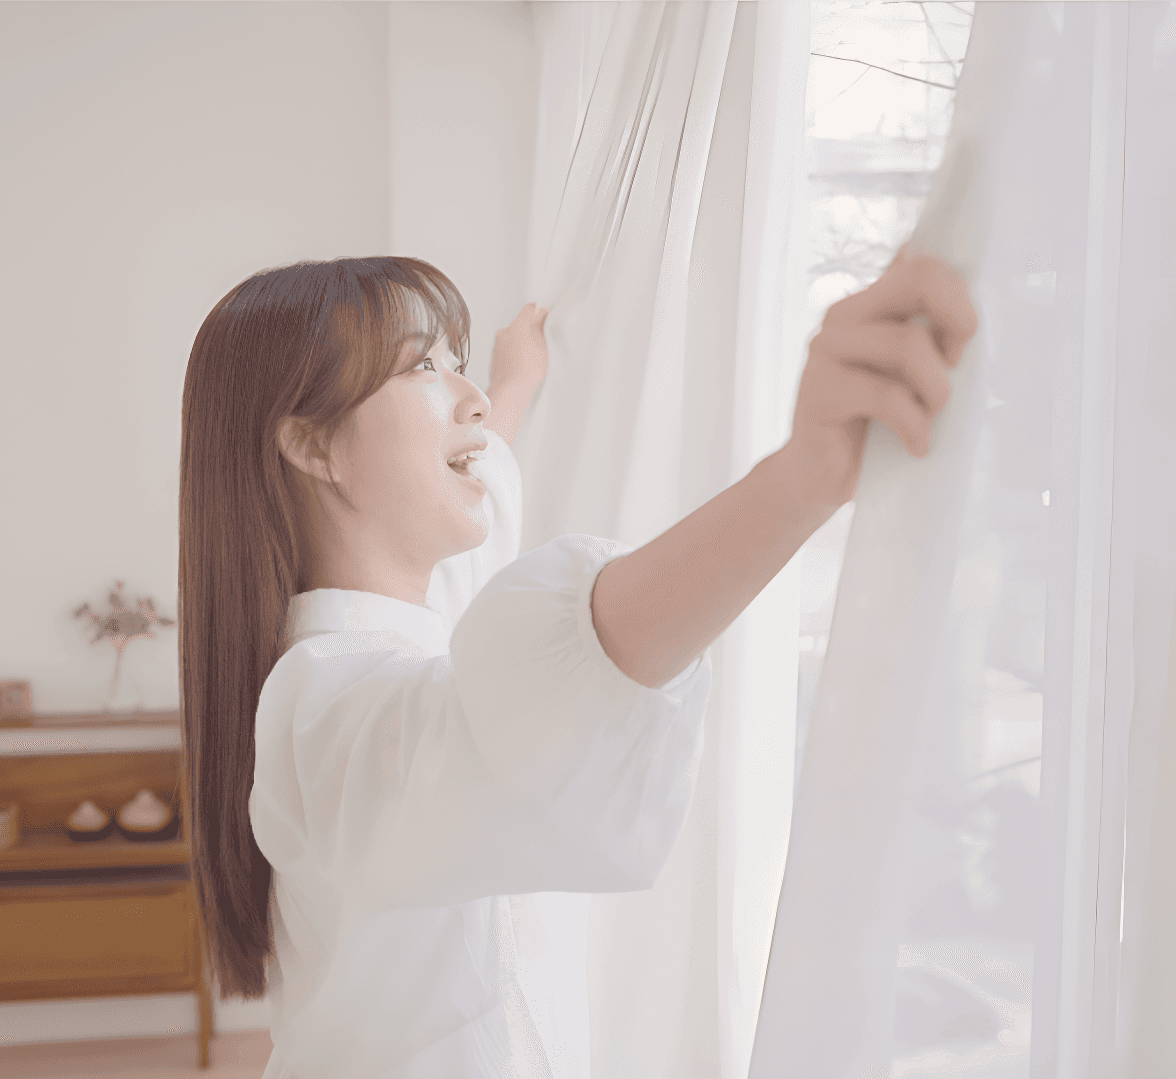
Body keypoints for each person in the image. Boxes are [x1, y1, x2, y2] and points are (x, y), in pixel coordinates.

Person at [178, 246, 976, 1078]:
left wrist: (514, 379)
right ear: (312, 444)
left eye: (458, 366)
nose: (472, 400)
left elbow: (487, 466)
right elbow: (533, 689)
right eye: (422, 366)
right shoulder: (319, 708)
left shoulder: (423, 612)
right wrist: (796, 484)